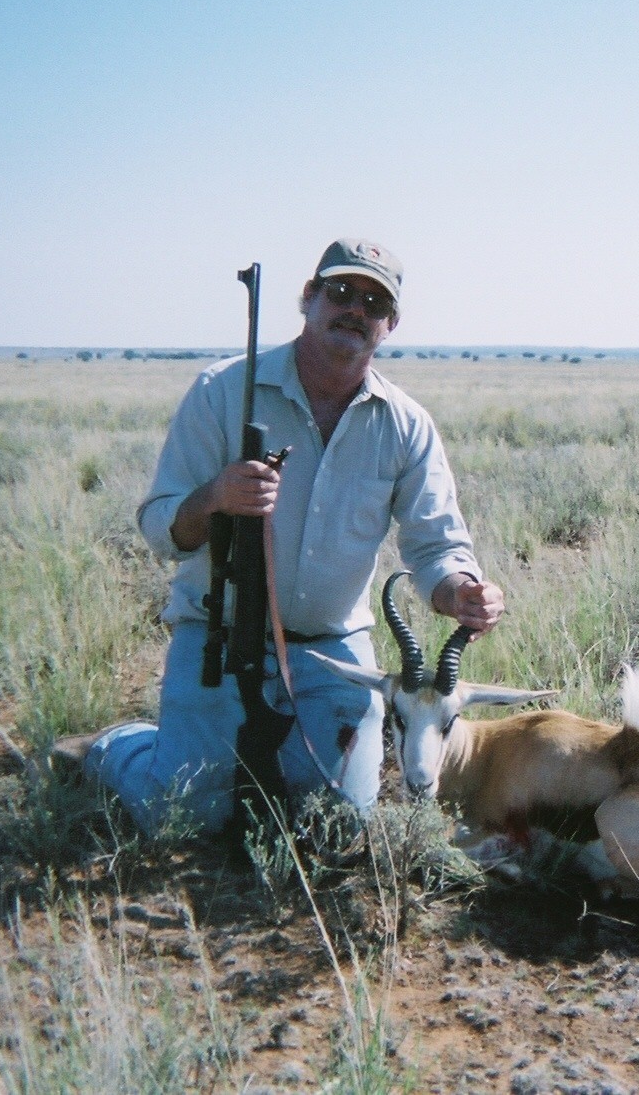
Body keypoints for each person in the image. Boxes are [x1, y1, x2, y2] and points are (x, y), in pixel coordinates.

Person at [53, 238, 504, 833]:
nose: (354, 309)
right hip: (217, 633)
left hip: (332, 650)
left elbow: (435, 545)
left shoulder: (407, 425)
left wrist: (461, 592)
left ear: (389, 324)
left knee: (337, 823)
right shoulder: (222, 391)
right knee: (183, 816)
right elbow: (161, 527)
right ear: (309, 298)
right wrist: (214, 498)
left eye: (374, 302)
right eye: (340, 292)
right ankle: (117, 746)